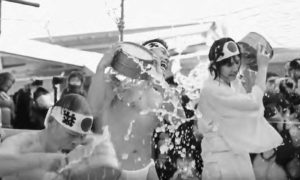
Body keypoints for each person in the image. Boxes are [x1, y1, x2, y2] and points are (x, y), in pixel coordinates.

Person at [88, 39, 181, 179]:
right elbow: (92, 108)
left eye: (162, 62)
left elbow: (180, 119)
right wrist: (101, 67)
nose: (157, 64)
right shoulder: (117, 86)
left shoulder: (159, 96)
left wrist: (161, 82)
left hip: (146, 166)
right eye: (154, 58)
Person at [196, 37, 282, 180]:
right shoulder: (211, 89)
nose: (235, 68)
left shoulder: (232, 83)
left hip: (237, 155)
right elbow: (253, 104)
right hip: (221, 162)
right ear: (216, 66)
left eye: (237, 62)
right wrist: (263, 67)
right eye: (229, 65)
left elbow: (252, 109)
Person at [0, 94, 97, 180]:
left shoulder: (78, 151)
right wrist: (42, 161)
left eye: (82, 136)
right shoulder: (21, 143)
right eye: (71, 134)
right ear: (51, 121)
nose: (76, 142)